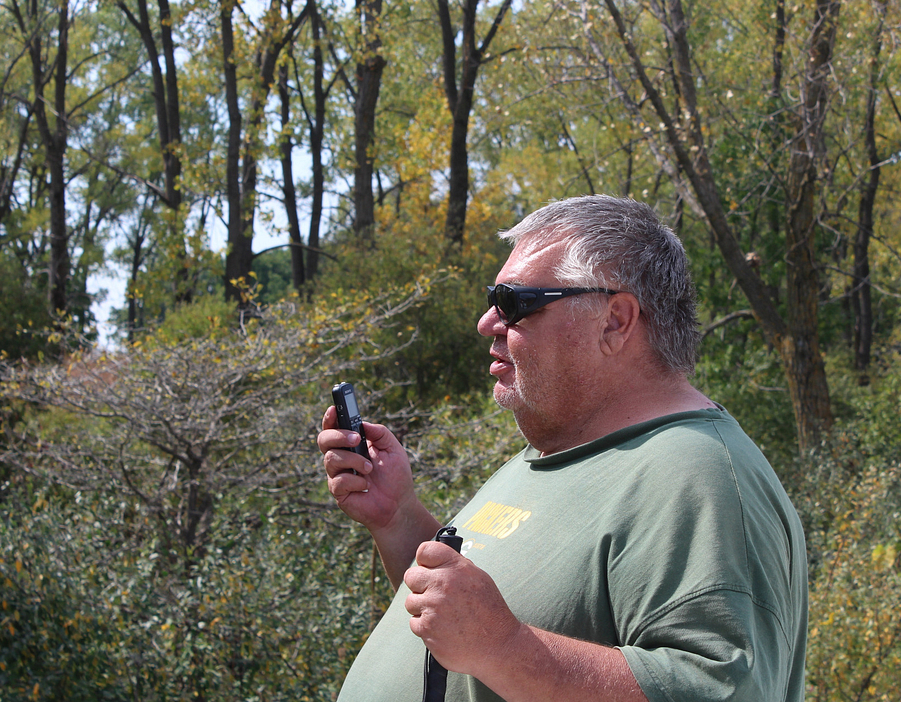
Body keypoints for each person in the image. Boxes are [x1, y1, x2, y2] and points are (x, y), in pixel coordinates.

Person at [319, 195, 808, 702]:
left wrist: (507, 648)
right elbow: (461, 623)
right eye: (493, 298)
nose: (488, 322)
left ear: (616, 321)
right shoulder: (561, 449)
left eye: (514, 304)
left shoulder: (699, 475)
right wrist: (398, 518)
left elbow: (723, 690)